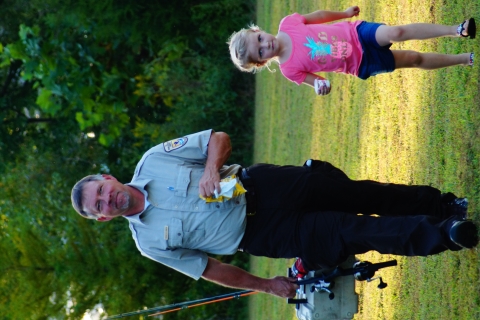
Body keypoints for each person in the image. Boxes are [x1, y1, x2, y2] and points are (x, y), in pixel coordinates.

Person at [71, 130, 478, 298]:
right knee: (350, 231)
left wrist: (211, 169)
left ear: (108, 178)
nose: (108, 201)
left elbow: (218, 139)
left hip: (264, 185)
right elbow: (209, 269)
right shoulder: (147, 244)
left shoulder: (153, 159)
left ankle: (441, 204)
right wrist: (266, 285)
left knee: (357, 193)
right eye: (99, 208)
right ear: (103, 219)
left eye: (102, 192)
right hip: (265, 234)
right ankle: (446, 233)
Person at [227, 6, 476, 95]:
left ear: (258, 30)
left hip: (356, 33)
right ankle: (466, 59)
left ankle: (457, 30)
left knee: (395, 32)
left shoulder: (288, 24)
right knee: (413, 58)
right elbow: (318, 82)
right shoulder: (289, 69)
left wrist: (344, 14)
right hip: (361, 63)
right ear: (261, 62)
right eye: (259, 52)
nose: (264, 45)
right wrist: (320, 88)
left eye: (259, 38)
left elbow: (319, 16)